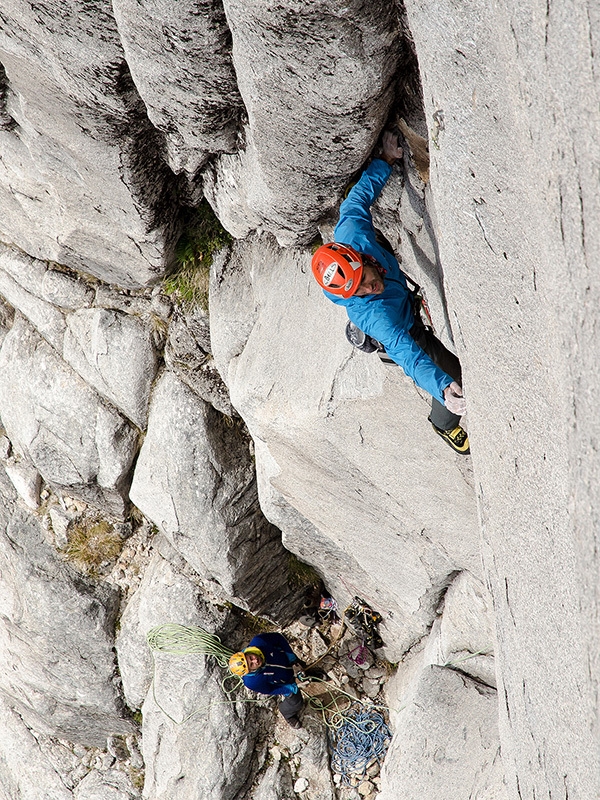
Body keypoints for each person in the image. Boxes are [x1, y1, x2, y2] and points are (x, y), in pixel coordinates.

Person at [311, 131, 470, 455]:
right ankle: (443, 424)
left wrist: (386, 159)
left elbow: (356, 201)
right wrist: (442, 388)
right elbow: (407, 354)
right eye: (361, 291)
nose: (371, 288)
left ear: (360, 258)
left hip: (400, 305)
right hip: (404, 331)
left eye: (366, 279)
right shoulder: (373, 313)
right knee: (457, 379)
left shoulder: (353, 234)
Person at [229, 632, 304, 728]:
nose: (255, 660)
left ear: (247, 653)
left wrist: (292, 658)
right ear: (250, 671)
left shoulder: (259, 642)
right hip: (284, 680)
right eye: (251, 664)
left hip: (290, 662)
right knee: (296, 703)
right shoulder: (252, 682)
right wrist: (288, 689)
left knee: (306, 670)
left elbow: (278, 638)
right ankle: (288, 714)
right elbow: (269, 689)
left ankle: (314, 675)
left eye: (251, 657)